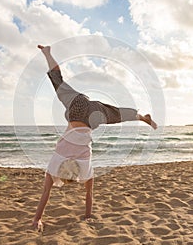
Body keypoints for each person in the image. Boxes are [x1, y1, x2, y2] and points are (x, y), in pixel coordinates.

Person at [32, 45, 157, 231]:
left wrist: (88, 215)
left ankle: (141, 117)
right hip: (78, 106)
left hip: (92, 115)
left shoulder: (84, 163)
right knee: (57, 81)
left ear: (74, 176)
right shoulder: (57, 161)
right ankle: (48, 53)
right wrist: (37, 219)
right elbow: (45, 193)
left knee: (116, 115)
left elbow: (89, 194)